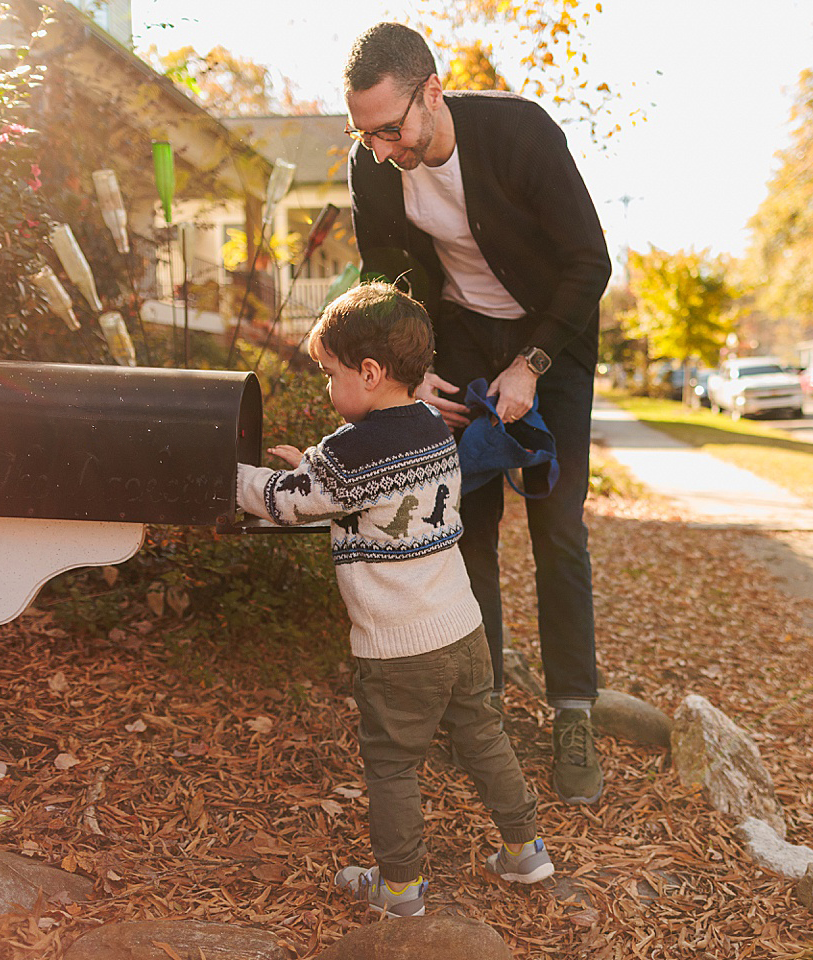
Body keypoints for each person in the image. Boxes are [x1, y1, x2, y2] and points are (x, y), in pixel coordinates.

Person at [341, 22, 612, 805]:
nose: (382, 149)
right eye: (365, 133)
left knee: (558, 529)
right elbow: (384, 275)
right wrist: (408, 371)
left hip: (548, 347)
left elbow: (589, 260)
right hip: (457, 350)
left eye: (391, 129)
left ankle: (573, 711)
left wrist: (530, 363)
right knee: (471, 528)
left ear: (432, 92)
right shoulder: (373, 162)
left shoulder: (520, 133)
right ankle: (480, 711)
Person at [236, 282, 553, 917]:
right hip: (463, 629)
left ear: (371, 372)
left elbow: (292, 500)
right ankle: (526, 850)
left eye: (330, 373)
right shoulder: (432, 425)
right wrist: (317, 472)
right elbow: (362, 496)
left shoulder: (349, 451)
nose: (327, 388)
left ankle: (401, 887)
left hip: (399, 648)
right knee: (483, 735)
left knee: (390, 763)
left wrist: (233, 475)